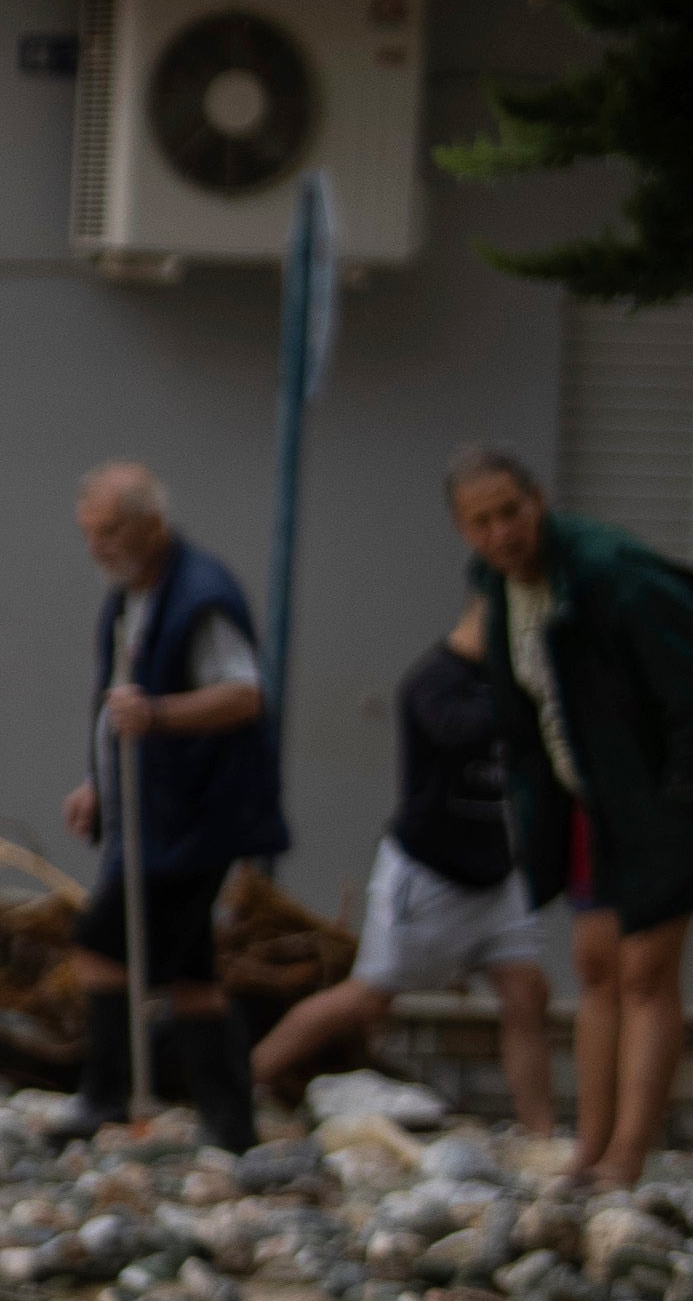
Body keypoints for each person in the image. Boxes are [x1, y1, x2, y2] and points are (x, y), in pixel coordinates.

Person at [453, 442, 693, 1193]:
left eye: (510, 511)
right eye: (482, 521)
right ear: (466, 531)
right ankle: (589, 1147)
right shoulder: (498, 591)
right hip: (587, 798)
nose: (502, 532)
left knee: (646, 973)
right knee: (595, 965)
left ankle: (630, 1153)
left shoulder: (613, 574)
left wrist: (690, 809)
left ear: (537, 502)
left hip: (660, 799)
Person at [257, 613, 569, 1139]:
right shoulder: (434, 681)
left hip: (494, 872)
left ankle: (541, 1131)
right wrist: (534, 699)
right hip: (427, 873)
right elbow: (460, 731)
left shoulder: (509, 679)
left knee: (526, 992)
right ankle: (250, 1076)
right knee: (369, 997)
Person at [60, 460, 283, 1138]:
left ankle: (105, 1093)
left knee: (102, 942)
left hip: (195, 819)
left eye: (113, 529)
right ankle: (227, 1120)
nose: (99, 545)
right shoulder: (131, 593)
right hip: (155, 813)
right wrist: (100, 781)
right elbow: (119, 698)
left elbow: (243, 693)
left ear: (153, 527)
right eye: (90, 531)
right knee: (190, 973)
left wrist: (157, 716)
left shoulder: (200, 595)